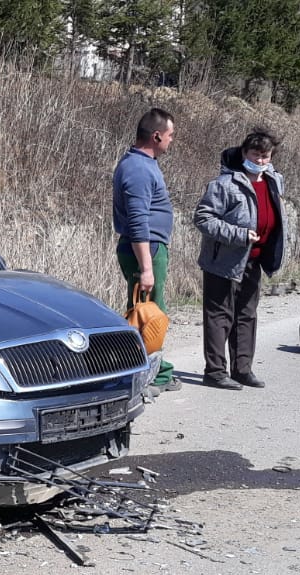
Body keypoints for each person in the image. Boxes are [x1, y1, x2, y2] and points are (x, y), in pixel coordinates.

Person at [193, 131, 288, 389]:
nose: (260, 161)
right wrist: (239, 234)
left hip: (255, 259)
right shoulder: (223, 184)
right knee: (219, 316)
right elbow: (203, 218)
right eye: (255, 155)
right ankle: (215, 372)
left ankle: (242, 370)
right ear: (244, 153)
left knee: (247, 315)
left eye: (265, 156)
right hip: (222, 262)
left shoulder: (273, 182)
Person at [112, 107, 179, 395]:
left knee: (149, 312)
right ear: (156, 136)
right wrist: (147, 268)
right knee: (149, 317)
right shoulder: (138, 169)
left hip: (149, 248)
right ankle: (149, 377)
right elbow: (138, 222)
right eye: (170, 135)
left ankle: (154, 370)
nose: (172, 140)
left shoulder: (142, 163)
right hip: (145, 250)